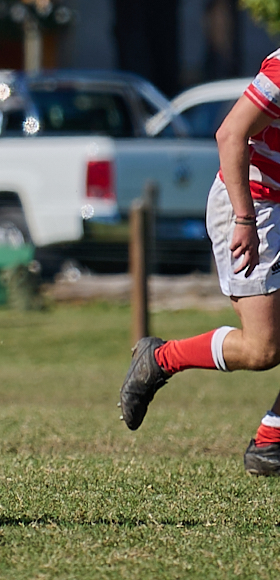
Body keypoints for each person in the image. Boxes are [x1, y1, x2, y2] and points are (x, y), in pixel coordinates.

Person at [120, 50, 280, 476]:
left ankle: (271, 442)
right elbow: (230, 135)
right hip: (253, 205)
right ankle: (160, 359)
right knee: (262, 348)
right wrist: (244, 217)